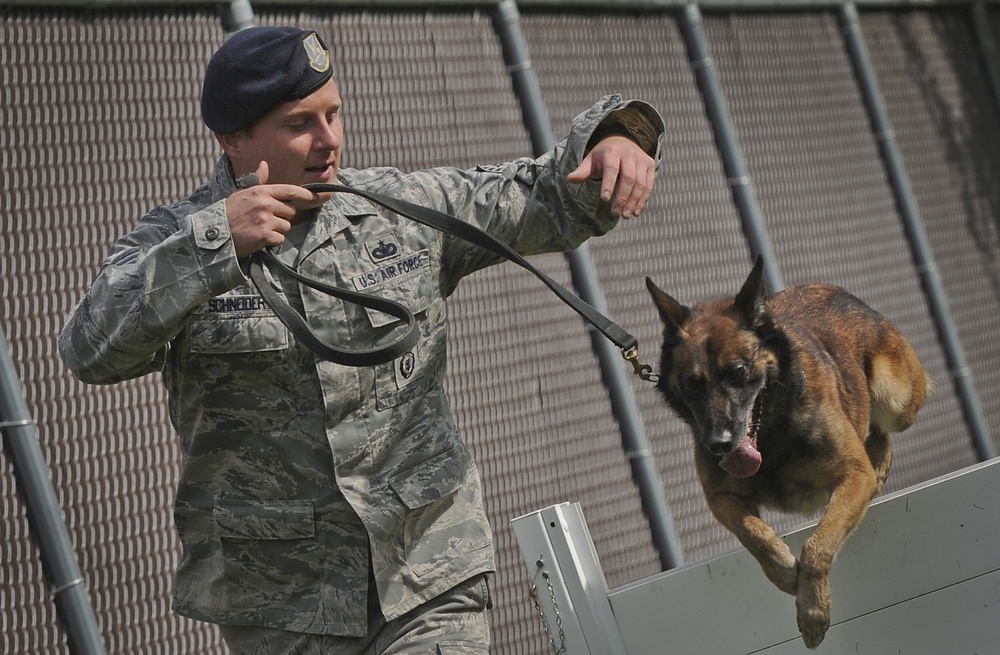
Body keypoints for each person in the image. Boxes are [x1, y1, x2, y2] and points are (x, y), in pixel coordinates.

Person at [59, 25, 663, 655]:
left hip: (427, 573)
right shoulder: (172, 241)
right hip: (283, 605)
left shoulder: (400, 209)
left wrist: (618, 136)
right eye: (301, 123)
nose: (330, 140)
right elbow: (90, 350)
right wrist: (211, 245)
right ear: (233, 140)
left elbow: (543, 196)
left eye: (335, 113)